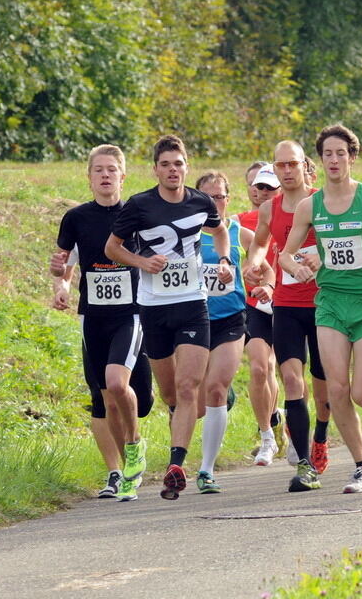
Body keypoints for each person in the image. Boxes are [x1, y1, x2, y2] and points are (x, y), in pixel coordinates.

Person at [280, 124, 362, 494]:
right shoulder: (311, 205)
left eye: (341, 154)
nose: (334, 160)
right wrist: (298, 268)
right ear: (319, 162)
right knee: (336, 388)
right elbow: (286, 254)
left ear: (352, 158)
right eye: (327, 155)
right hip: (331, 303)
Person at [105, 135, 233, 501]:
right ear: (156, 169)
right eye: (166, 165)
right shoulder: (139, 205)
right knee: (171, 394)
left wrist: (223, 261)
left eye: (178, 164)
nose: (172, 170)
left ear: (186, 167)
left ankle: (176, 465)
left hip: (193, 302)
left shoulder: (200, 201)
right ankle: (175, 430)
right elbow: (112, 248)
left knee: (191, 386)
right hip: (153, 306)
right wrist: (143, 262)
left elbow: (219, 230)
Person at [50, 144, 154, 501]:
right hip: (92, 315)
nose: (105, 175)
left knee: (118, 382)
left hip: (131, 313)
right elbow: (64, 262)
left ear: (123, 176)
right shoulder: (76, 218)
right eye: (99, 170)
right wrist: (61, 285)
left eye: (112, 169)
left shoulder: (137, 214)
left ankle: (135, 445)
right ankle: (118, 473)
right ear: (89, 177)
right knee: (105, 397)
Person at [243, 141, 329, 492]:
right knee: (293, 380)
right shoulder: (270, 208)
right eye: (281, 165)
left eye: (293, 164)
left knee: (327, 388)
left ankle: (321, 437)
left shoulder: (324, 203)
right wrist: (254, 261)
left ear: (305, 168)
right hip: (288, 304)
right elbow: (261, 242)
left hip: (326, 304)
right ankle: (305, 459)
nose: (287, 171)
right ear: (275, 170)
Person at [193, 171, 275, 492]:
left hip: (230, 318)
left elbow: (266, 268)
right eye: (207, 197)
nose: (215, 203)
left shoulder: (239, 233)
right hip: (193, 320)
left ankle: (206, 469)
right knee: (196, 403)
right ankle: (222, 394)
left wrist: (265, 286)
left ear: (229, 199)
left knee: (214, 387)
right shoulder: (184, 235)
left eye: (220, 197)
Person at [236, 162, 284, 465]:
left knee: (288, 373)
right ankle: (266, 435)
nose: (260, 191)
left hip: (291, 302)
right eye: (256, 185)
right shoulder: (238, 223)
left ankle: (281, 419)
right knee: (259, 367)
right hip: (255, 305)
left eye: (267, 186)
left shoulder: (298, 215)